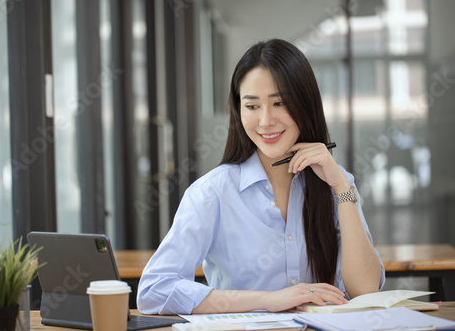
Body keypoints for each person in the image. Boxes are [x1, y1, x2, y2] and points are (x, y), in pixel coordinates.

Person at [137, 39, 385, 315]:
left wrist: (341, 186)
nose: (265, 120)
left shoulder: (336, 183)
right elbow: (153, 290)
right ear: (238, 110)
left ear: (306, 104)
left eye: (279, 103)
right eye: (252, 106)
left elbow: (366, 291)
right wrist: (269, 300)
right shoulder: (212, 192)